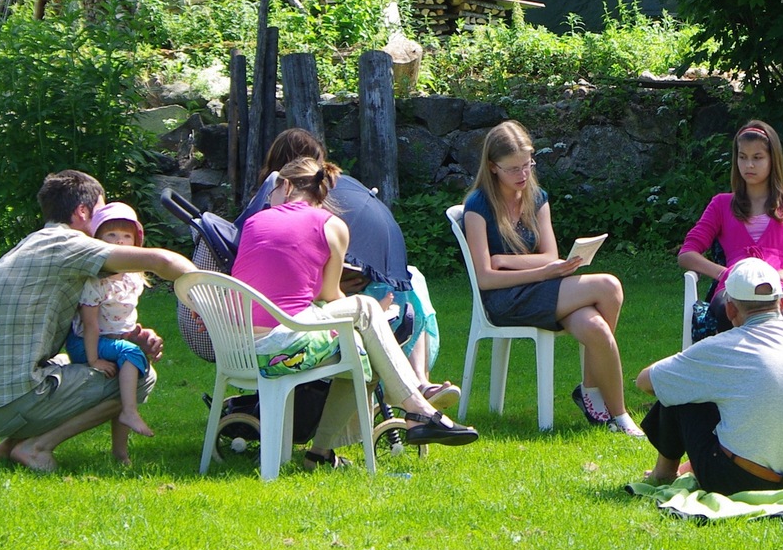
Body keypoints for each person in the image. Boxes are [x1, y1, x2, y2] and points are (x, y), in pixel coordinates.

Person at [231, 155, 477, 465]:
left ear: (287, 186)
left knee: (362, 351)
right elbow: (330, 296)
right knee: (366, 308)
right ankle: (418, 407)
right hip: (282, 347)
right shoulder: (332, 225)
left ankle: (319, 455)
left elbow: (283, 290)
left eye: (273, 192)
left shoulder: (255, 222)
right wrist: (378, 315)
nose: (271, 199)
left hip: (239, 347)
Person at [0, 171, 195, 473]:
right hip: (16, 400)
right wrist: (206, 294)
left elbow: (92, 322)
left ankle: (11, 445)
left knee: (103, 359)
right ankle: (36, 447)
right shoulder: (69, 244)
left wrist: (128, 336)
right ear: (82, 212)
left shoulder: (32, 244)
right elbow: (161, 261)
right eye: (100, 214)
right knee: (140, 374)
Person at [461, 120, 642, 436]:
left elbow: (550, 255)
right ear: (492, 167)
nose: (522, 174)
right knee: (608, 286)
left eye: (527, 164)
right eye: (513, 169)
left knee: (597, 328)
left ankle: (616, 412)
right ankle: (595, 396)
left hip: (542, 291)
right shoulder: (478, 205)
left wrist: (507, 260)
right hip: (505, 300)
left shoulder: (536, 197)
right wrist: (542, 272)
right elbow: (486, 278)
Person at [238, 128, 445, 394]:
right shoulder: (282, 214)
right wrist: (340, 283)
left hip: (257, 331)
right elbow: (304, 284)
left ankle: (418, 381)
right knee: (378, 304)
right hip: (293, 323)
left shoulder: (257, 219)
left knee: (409, 278)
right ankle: (412, 392)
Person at [635, 259, 783, 493]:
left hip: (742, 482)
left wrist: (688, 368)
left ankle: (663, 473)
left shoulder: (720, 348)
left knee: (680, 386)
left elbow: (645, 381)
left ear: (730, 310)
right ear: (782, 302)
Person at [676, 119, 783, 340]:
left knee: (767, 314)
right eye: (743, 157)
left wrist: (779, 276)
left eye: (757, 158)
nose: (749, 165)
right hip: (732, 288)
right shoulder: (721, 204)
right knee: (728, 311)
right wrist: (724, 273)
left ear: (772, 160)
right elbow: (687, 254)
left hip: (777, 288)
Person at [66, 201, 154, 461]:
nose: (120, 241)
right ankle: (130, 411)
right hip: (86, 343)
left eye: (126, 236)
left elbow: (122, 317)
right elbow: (90, 324)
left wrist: (134, 333)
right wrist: (93, 359)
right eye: (111, 235)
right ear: (97, 242)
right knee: (132, 354)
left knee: (126, 373)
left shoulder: (132, 278)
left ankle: (120, 454)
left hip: (112, 342)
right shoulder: (96, 281)